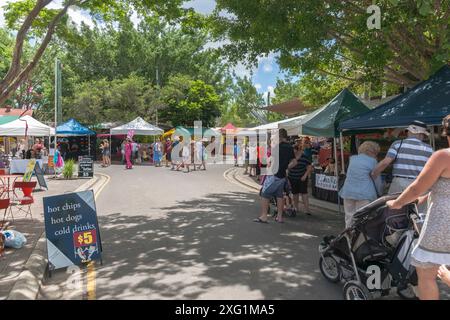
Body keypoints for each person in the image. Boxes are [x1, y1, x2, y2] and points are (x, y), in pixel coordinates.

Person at [386, 115, 450, 300]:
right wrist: (428, 196)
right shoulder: (430, 150)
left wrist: (396, 203)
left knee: (426, 274)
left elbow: (415, 188)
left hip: (442, 224)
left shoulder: (443, 156)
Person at [372, 120, 433, 195]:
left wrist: (374, 173)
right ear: (421, 134)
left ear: (409, 132)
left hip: (400, 183)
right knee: (417, 206)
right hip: (419, 184)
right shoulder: (429, 149)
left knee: (396, 205)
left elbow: (385, 162)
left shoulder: (397, 144)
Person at [255, 128, 296, 224]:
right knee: (279, 195)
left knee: (264, 194)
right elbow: (294, 162)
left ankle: (264, 216)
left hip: (274, 174)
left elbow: (270, 161)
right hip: (282, 176)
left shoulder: (276, 147)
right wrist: (286, 168)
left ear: (280, 137)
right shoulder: (290, 147)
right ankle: (279, 217)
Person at [340, 141, 382, 228]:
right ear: (372, 152)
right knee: (362, 219)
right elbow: (377, 180)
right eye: (376, 153)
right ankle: (358, 239)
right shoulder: (373, 161)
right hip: (365, 193)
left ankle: (348, 238)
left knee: (349, 217)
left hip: (348, 192)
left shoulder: (352, 159)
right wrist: (380, 192)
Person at [288, 138, 314, 216]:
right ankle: (296, 207)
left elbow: (309, 166)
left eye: (294, 150)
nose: (293, 152)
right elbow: (287, 167)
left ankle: (307, 209)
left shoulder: (304, 156)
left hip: (302, 178)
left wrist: (305, 175)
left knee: (304, 193)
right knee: (295, 193)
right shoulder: (290, 157)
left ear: (298, 150)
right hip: (292, 177)